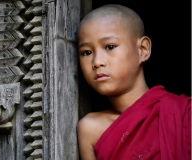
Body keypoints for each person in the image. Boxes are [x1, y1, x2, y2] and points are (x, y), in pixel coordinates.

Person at [77, 4, 191, 160]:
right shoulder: (90, 129)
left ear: (143, 49)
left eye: (110, 46)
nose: (97, 62)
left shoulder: (183, 113)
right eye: (87, 52)